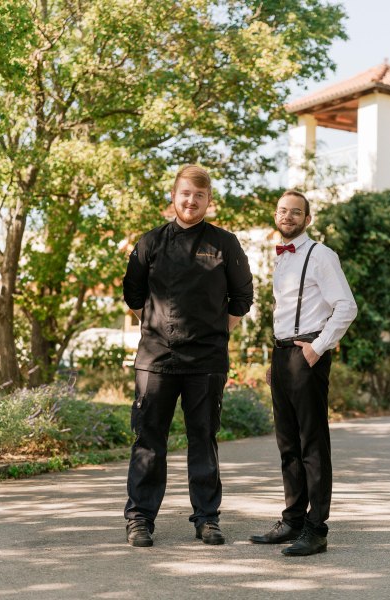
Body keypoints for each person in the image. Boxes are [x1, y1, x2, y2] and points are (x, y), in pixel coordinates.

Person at [122, 165, 253, 548]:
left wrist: (213, 334)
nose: (191, 201)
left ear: (208, 201)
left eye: (199, 195)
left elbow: (242, 299)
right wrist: (159, 328)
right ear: (173, 197)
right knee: (148, 442)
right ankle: (140, 520)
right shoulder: (150, 242)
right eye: (185, 194)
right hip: (156, 360)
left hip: (207, 363)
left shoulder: (225, 244)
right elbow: (134, 296)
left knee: (203, 439)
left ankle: (207, 520)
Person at [250, 190, 357, 556]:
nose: (288, 216)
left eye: (296, 212)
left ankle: (317, 528)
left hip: (307, 353)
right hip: (283, 356)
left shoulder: (321, 255)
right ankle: (293, 519)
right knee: (287, 445)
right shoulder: (280, 259)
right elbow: (285, 314)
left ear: (307, 219)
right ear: (276, 215)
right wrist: (274, 361)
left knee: (312, 444)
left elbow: (346, 306)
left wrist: (318, 346)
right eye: (283, 211)